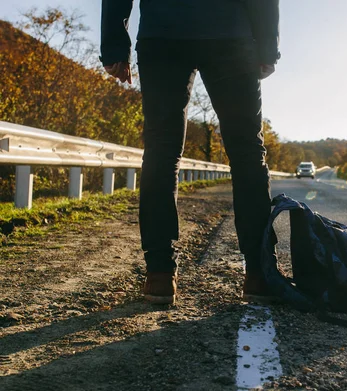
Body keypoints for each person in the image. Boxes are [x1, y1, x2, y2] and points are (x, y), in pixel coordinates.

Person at [100, 0, 280, 305]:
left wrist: (115, 45)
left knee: (160, 150)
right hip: (229, 32)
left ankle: (159, 275)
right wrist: (266, 45)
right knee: (247, 150)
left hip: (163, 31)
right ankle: (259, 273)